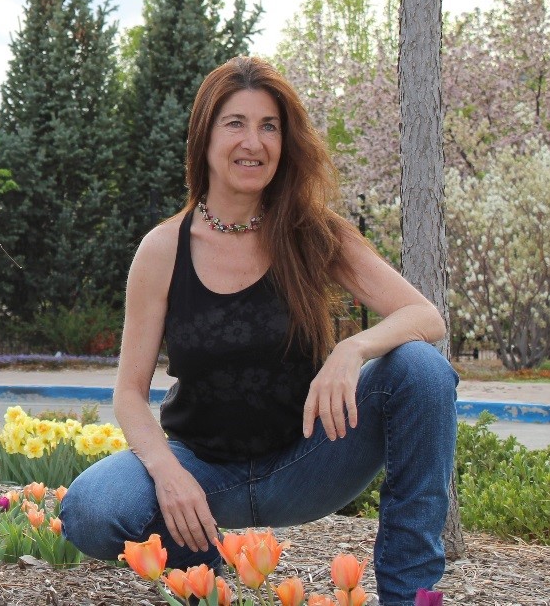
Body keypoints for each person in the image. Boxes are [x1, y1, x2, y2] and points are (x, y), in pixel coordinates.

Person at [59, 56, 456, 606]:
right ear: (205, 137)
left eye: (269, 125)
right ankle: (203, 575)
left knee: (421, 368)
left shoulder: (313, 233)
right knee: (90, 508)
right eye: (236, 123)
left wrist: (353, 348)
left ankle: (408, 596)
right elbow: (128, 392)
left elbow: (424, 318)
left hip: (309, 462)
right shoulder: (162, 250)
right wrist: (168, 473)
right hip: (202, 469)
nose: (254, 141)